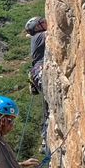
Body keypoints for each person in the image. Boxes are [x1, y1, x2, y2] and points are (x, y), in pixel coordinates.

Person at [25, 17, 49, 149]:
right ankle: (45, 135)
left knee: (48, 105)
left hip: (37, 71)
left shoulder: (36, 36)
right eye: (43, 21)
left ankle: (45, 137)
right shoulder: (39, 36)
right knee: (49, 100)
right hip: (40, 69)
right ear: (38, 26)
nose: (46, 22)